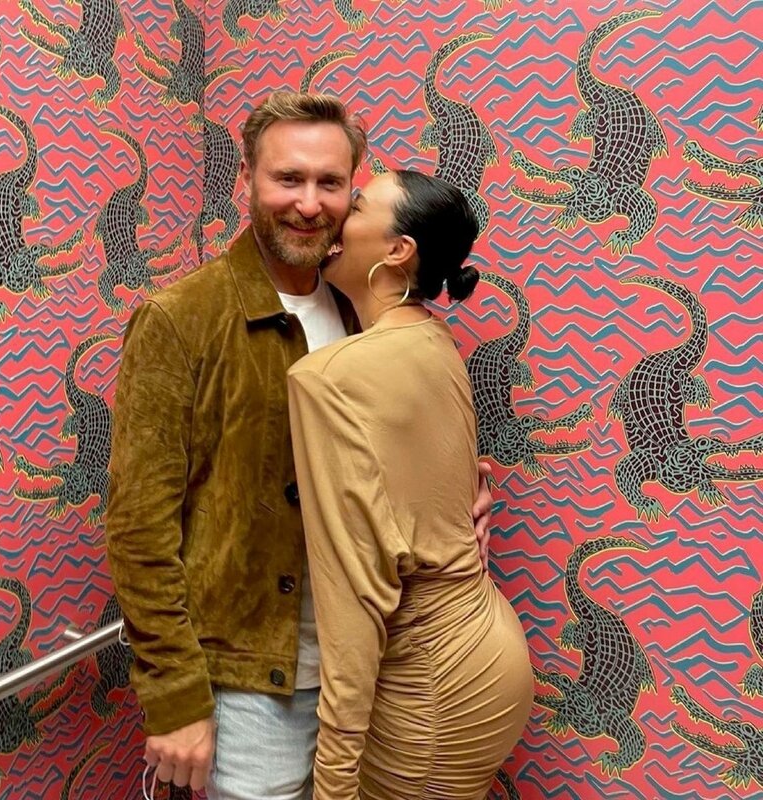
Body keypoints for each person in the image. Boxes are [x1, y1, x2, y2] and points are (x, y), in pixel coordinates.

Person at [105, 92, 495, 800]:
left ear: (352, 190)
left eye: (330, 183)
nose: (309, 204)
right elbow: (139, 528)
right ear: (247, 180)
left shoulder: (366, 310)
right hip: (250, 685)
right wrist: (174, 695)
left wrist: (461, 499)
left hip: (378, 670)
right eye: (288, 178)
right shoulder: (181, 319)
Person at [287, 169, 534, 800]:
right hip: (487, 647)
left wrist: (334, 778)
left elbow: (354, 591)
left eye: (357, 205)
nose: (334, 213)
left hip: (433, 680)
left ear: (399, 250)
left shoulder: (326, 377)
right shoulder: (434, 338)